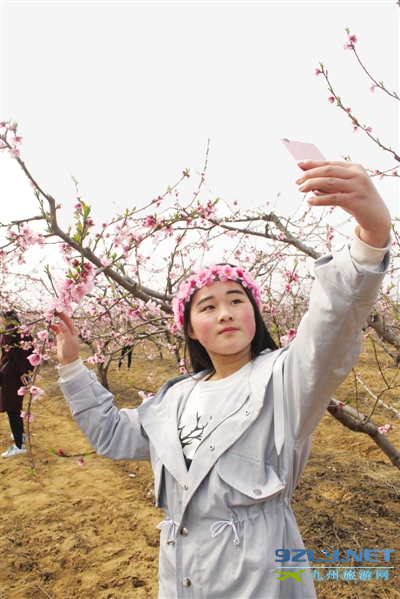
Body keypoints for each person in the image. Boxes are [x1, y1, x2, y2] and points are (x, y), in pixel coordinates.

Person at [52, 161, 391, 599]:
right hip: (182, 578)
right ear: (190, 328)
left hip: (261, 580)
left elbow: (331, 326)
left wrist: (370, 238)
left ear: (254, 313)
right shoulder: (173, 399)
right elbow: (113, 435)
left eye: (236, 300)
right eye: (207, 307)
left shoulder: (284, 381)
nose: (226, 311)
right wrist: (72, 366)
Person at [0, 310, 32, 458]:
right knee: (17, 406)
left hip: (11, 376)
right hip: (21, 374)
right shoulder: (24, 331)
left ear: (6, 319)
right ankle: (21, 435)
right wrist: (28, 371)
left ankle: (19, 446)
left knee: (11, 409)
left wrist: (20, 373)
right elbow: (32, 351)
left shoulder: (8, 332)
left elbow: (10, 356)